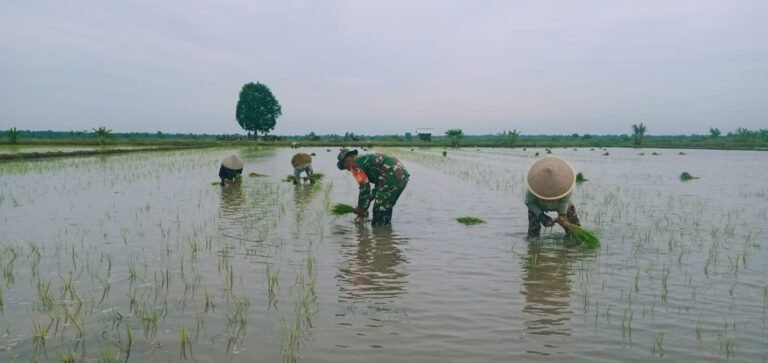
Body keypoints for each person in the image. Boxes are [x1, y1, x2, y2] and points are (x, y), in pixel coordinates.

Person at [337, 149, 409, 226]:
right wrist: (366, 203)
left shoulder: (354, 165)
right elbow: (379, 184)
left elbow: (364, 186)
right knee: (386, 208)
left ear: (348, 159)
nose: (347, 169)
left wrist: (361, 208)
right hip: (403, 176)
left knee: (379, 211)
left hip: (391, 175)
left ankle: (380, 234)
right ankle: (386, 234)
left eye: (344, 165)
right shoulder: (364, 159)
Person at [525, 156, 581, 238]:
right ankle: (534, 246)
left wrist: (562, 215)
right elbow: (529, 202)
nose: (547, 200)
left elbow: (564, 201)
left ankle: (572, 244)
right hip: (537, 205)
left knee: (574, 230)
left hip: (561, 204)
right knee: (533, 233)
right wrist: (541, 216)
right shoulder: (532, 189)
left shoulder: (565, 187)